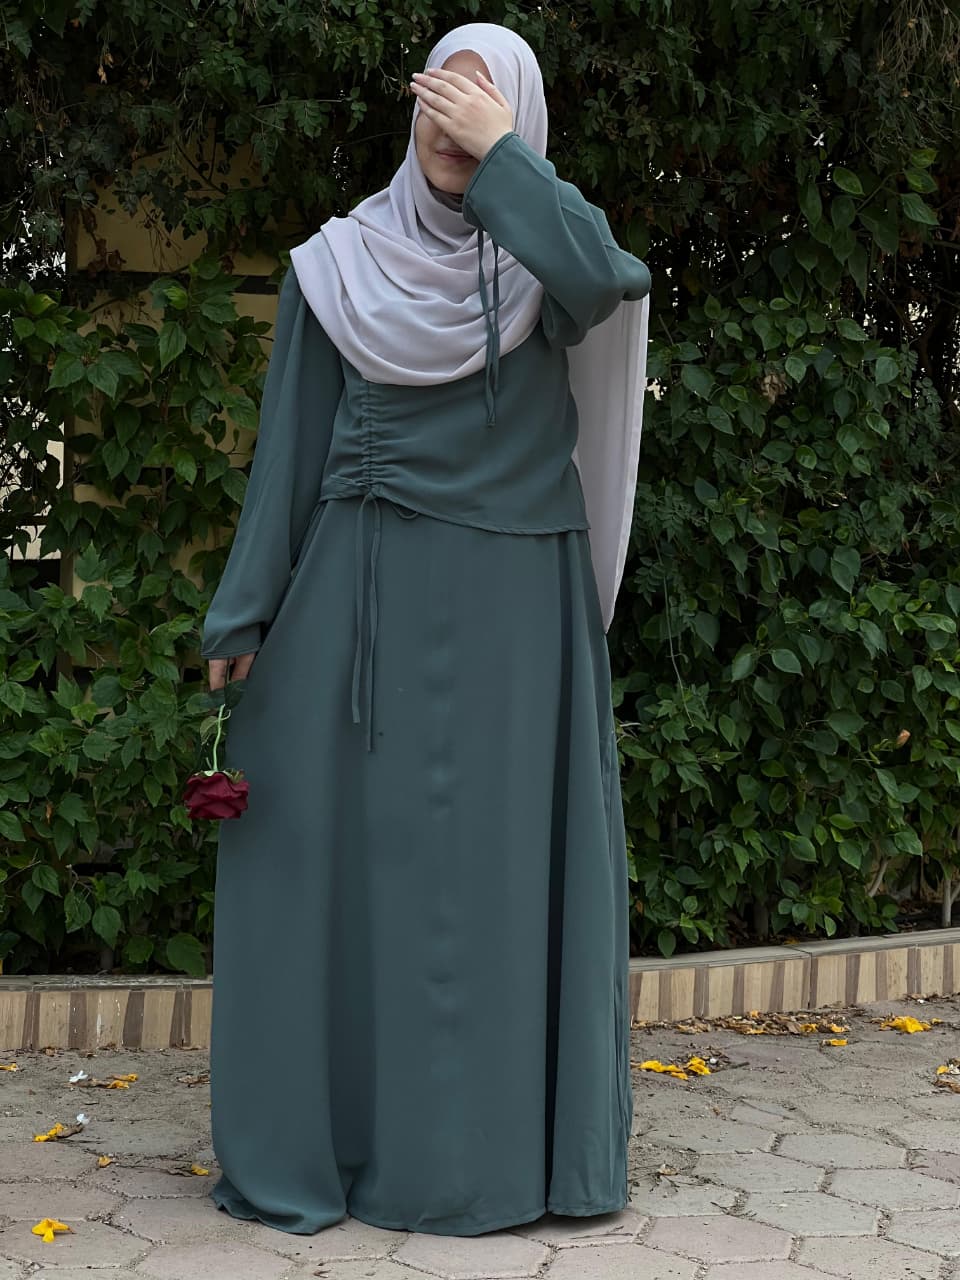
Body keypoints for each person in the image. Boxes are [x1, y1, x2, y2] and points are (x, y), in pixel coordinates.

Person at [199, 20, 652, 1239]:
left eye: (480, 101)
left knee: (498, 885)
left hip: (520, 622)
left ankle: (500, 1162)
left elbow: (609, 277)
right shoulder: (340, 264)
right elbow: (289, 450)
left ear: (517, 125)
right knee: (362, 877)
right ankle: (353, 1143)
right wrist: (243, 611)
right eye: (436, 96)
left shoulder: (546, 265)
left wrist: (507, 163)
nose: (449, 118)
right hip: (364, 607)